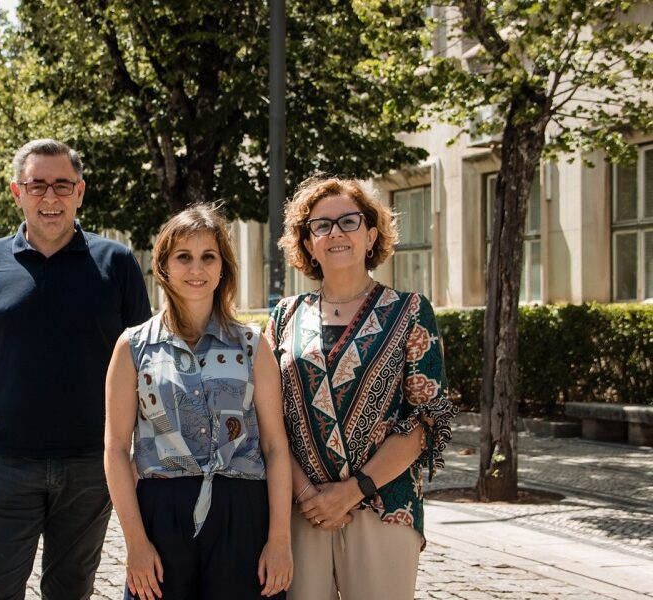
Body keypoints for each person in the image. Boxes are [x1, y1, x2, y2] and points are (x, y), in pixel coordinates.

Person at [0, 138, 152, 600]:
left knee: (71, 592)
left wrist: (140, 452)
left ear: (80, 191)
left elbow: (145, 364)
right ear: (17, 192)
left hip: (91, 466)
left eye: (62, 185)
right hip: (6, 463)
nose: (50, 198)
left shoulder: (116, 264)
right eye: (37, 186)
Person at [264, 176, 458, 600]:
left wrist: (352, 492)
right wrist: (308, 496)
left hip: (385, 505)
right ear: (308, 242)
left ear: (371, 235)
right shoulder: (284, 317)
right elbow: (268, 420)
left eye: (348, 221)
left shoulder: (410, 311)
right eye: (321, 225)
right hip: (301, 510)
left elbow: (425, 420)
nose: (335, 232)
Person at [105, 205, 293, 600]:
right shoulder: (133, 347)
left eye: (209, 256)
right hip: (162, 511)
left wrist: (279, 539)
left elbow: (276, 448)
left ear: (222, 267)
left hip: (242, 513)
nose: (197, 268)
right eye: (183, 257)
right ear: (163, 266)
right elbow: (116, 450)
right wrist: (136, 543)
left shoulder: (252, 346)